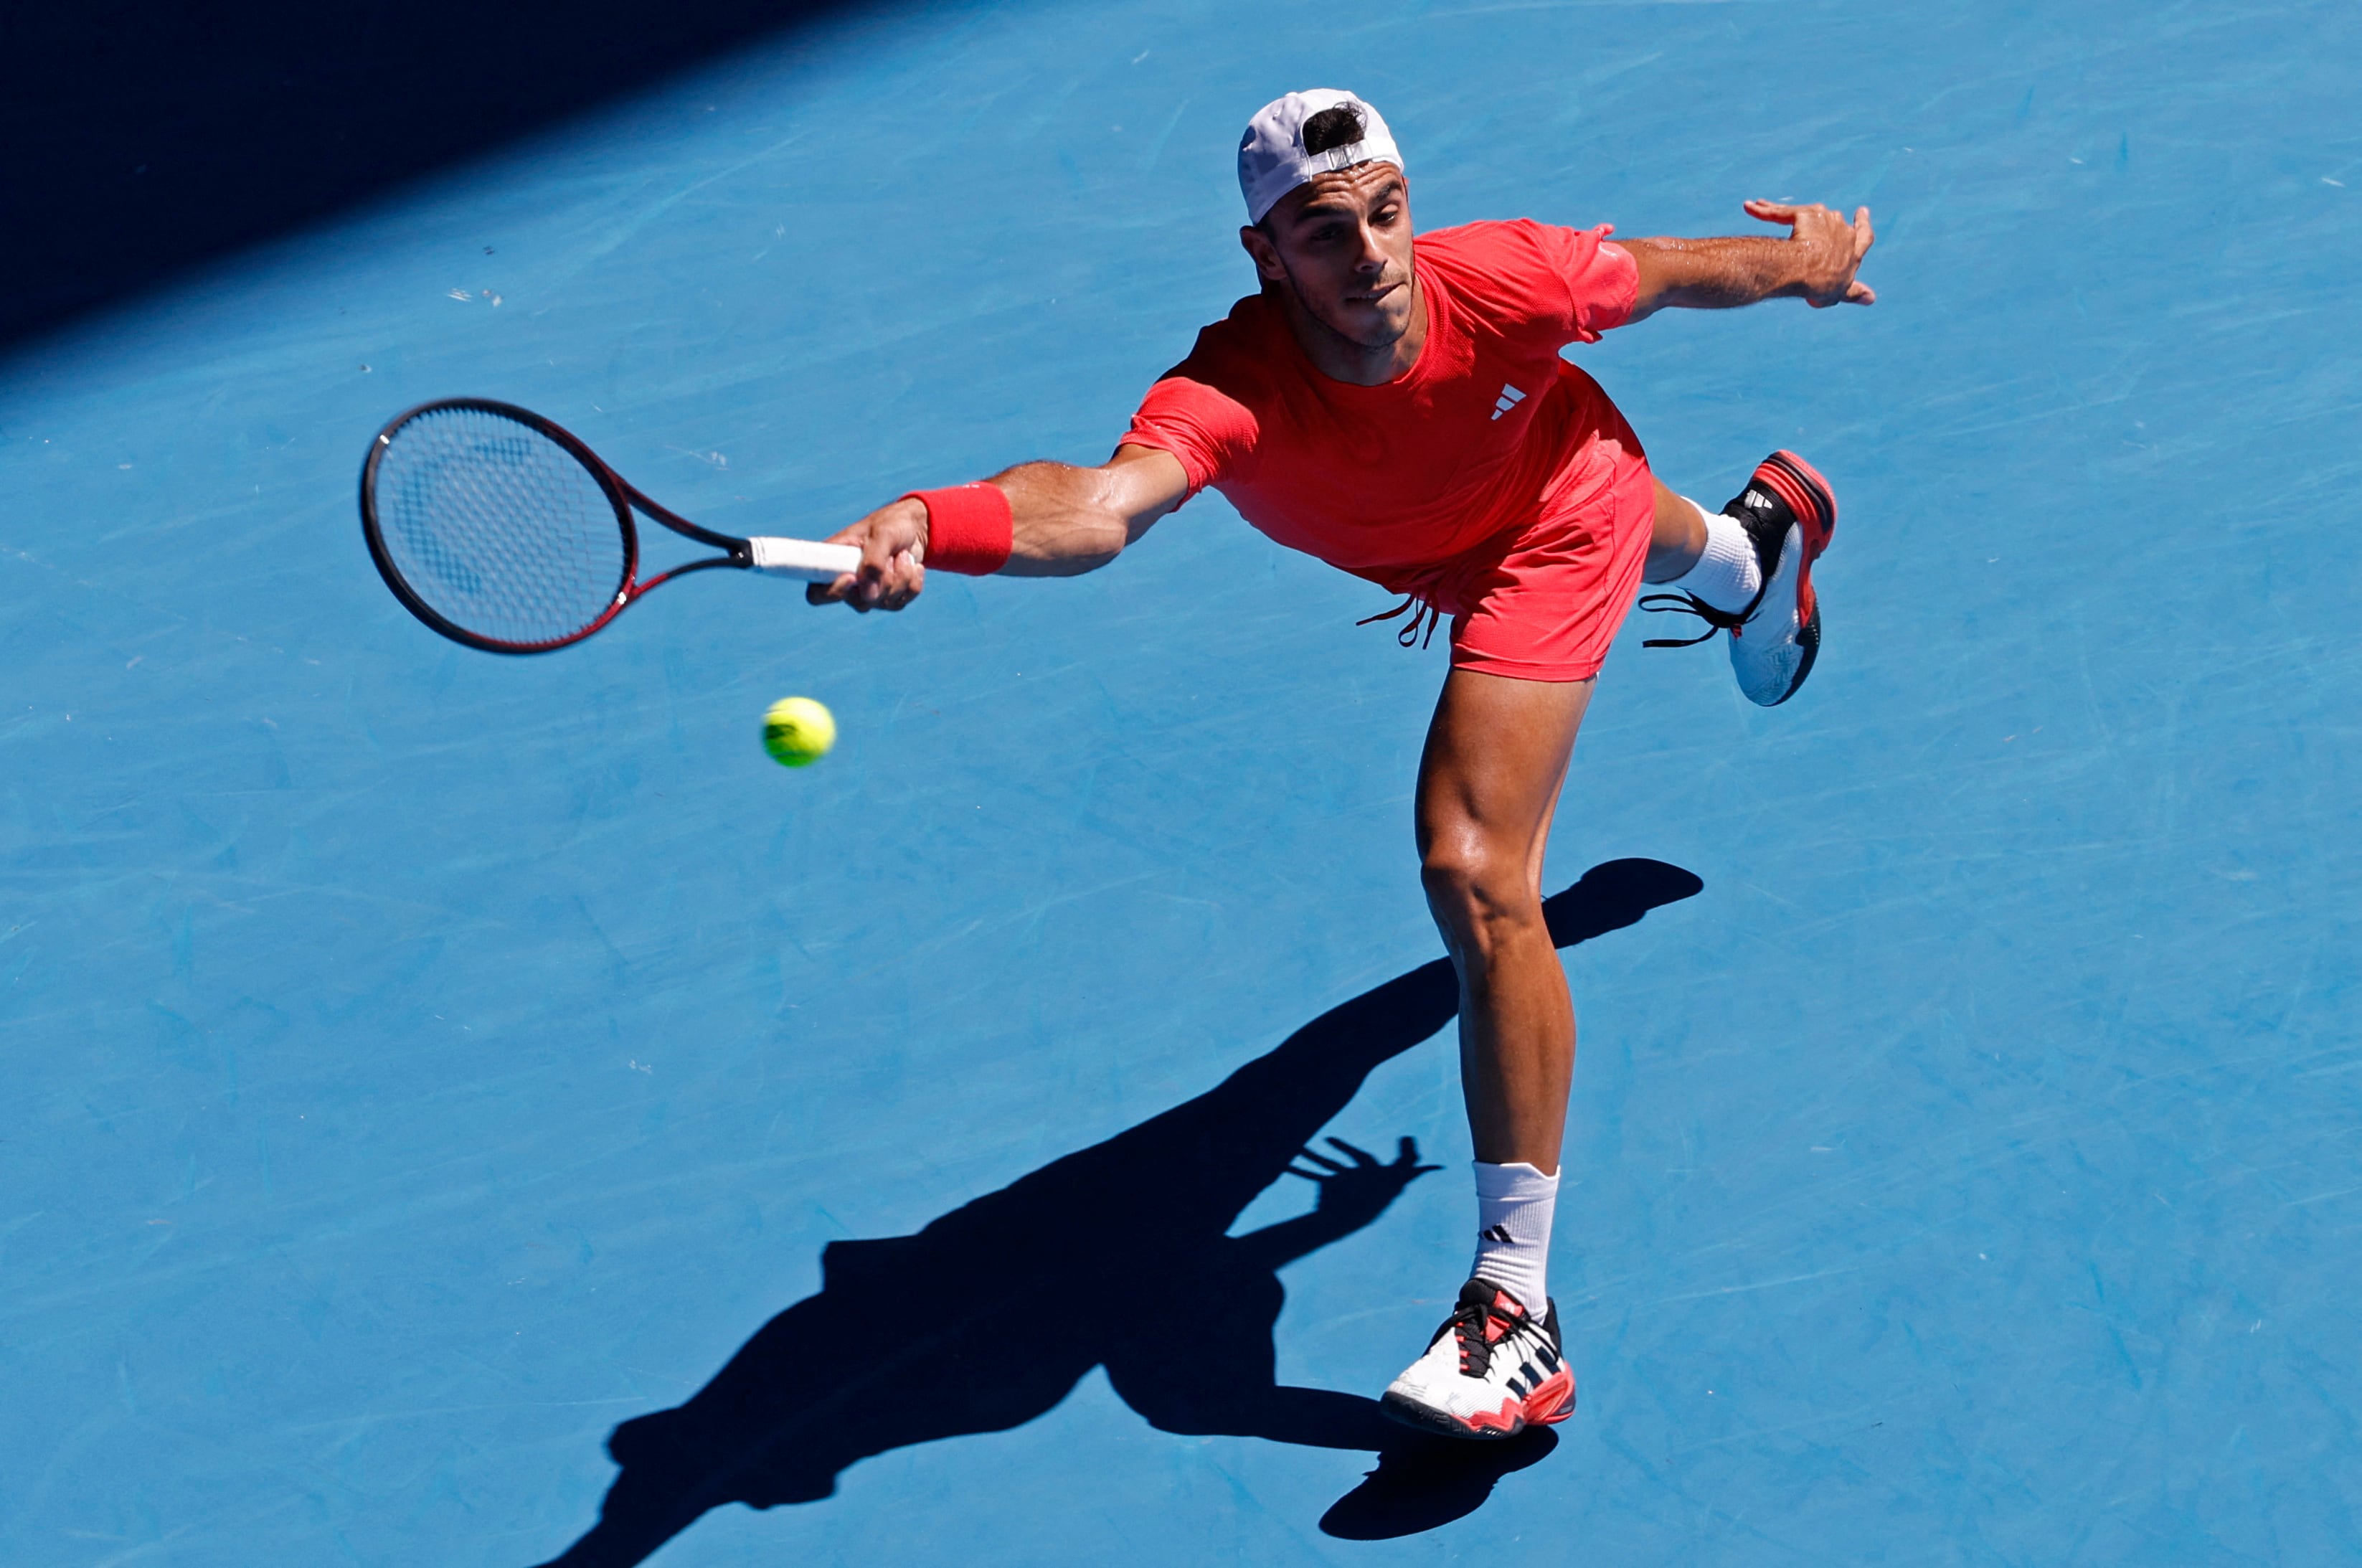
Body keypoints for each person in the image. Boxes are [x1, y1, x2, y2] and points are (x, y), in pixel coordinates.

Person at [808, 88, 1874, 1440]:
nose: (1368, 252)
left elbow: (1665, 274)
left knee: (1474, 871)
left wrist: (1809, 265)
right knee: (1309, 1070)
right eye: (1321, 230)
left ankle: (1514, 1309)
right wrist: (928, 517)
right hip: (1454, 518)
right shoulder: (1228, 390)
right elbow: (1094, 505)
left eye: (1383, 213)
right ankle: (1749, 548)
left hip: (1553, 512)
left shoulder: (1504, 281)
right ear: (1264, 255)